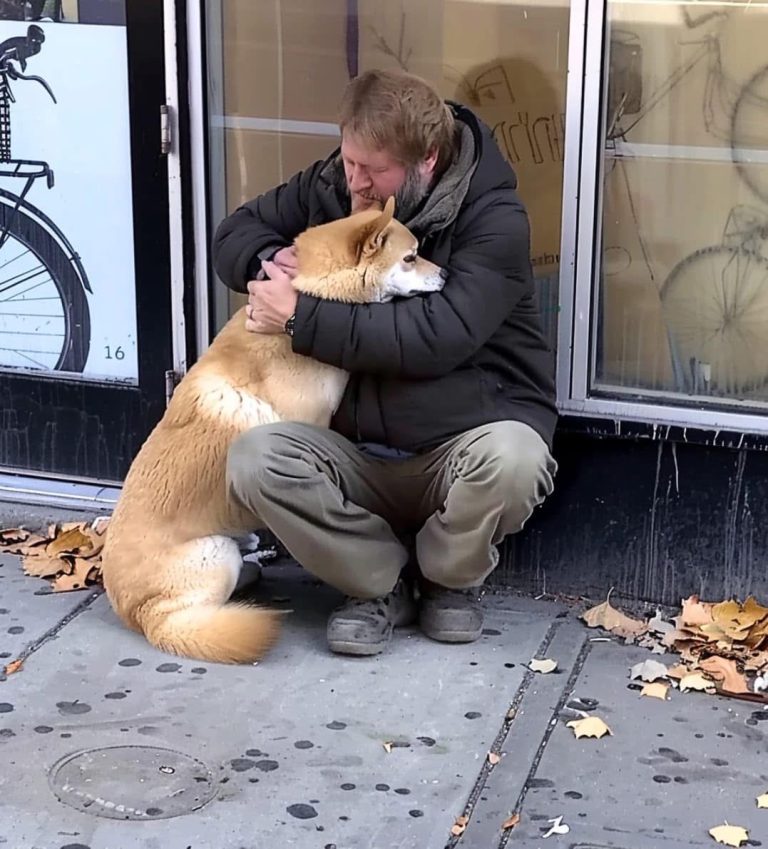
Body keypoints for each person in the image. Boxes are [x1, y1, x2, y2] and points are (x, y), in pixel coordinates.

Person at [212, 69, 558, 657]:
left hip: (457, 447)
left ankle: (447, 581)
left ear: (426, 161)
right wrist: (276, 262)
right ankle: (378, 583)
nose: (355, 182)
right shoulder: (337, 184)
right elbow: (235, 232)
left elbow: (436, 337)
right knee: (254, 458)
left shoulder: (495, 220)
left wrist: (300, 317)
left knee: (516, 459)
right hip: (356, 453)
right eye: (349, 161)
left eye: (372, 171)